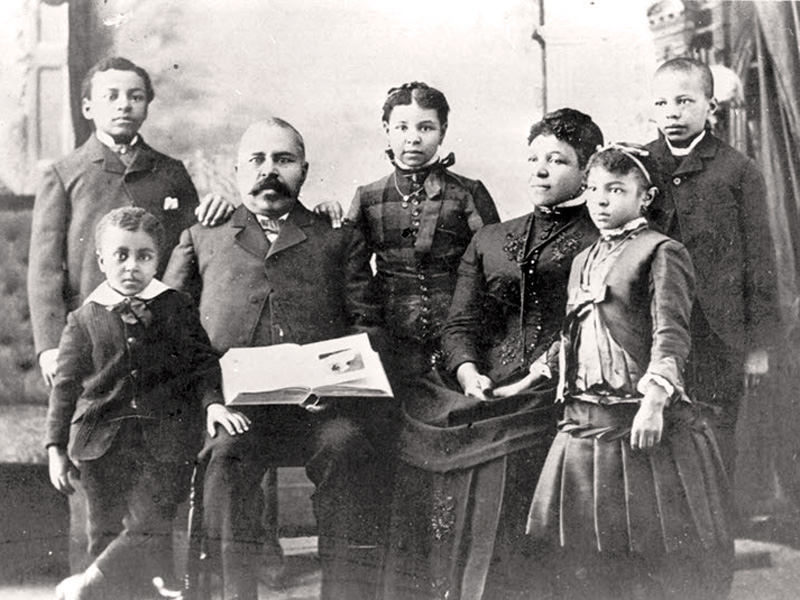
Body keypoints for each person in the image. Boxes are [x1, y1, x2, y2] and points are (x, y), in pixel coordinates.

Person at [163, 118, 394, 600]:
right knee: (223, 455)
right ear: (237, 170)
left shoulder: (336, 237)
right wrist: (210, 401)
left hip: (319, 408)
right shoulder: (203, 236)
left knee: (348, 447)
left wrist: (332, 385)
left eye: (283, 160)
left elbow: (368, 324)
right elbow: (174, 335)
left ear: (304, 170)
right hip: (235, 408)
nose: (270, 171)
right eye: (258, 160)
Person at [383, 108, 602, 600]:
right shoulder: (491, 239)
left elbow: (591, 326)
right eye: (534, 158)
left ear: (588, 172)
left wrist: (537, 375)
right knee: (424, 420)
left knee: (504, 447)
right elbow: (459, 322)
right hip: (486, 381)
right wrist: (466, 371)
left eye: (558, 161)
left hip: (553, 385)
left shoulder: (600, 240)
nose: (540, 170)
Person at [527, 144, 732, 600]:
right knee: (590, 562)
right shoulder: (584, 259)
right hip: (584, 425)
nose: (600, 201)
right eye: (593, 189)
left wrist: (655, 403)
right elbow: (572, 336)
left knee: (655, 562)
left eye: (616, 190)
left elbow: (671, 333)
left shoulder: (661, 251)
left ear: (646, 197)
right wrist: (526, 380)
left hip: (638, 424)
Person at [45, 207, 220, 600]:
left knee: (150, 523)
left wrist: (212, 404)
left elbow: (203, 364)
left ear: (157, 259)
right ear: (102, 260)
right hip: (98, 441)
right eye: (121, 255)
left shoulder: (176, 307)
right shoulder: (82, 318)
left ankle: (88, 584)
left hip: (164, 439)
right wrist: (55, 448)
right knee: (102, 531)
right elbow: (66, 388)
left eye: (144, 256)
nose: (132, 267)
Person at [28, 56, 231, 388]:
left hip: (162, 332)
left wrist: (218, 211)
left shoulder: (171, 172)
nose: (124, 105)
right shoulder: (64, 175)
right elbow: (45, 270)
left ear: (147, 106)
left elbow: (195, 248)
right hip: (92, 334)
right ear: (88, 108)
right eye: (111, 96)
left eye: (135, 96)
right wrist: (50, 347)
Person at [645, 57, 780, 477]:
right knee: (657, 443)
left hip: (719, 333)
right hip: (653, 329)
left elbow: (760, 261)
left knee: (714, 440)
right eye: (662, 103)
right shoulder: (641, 165)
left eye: (684, 101)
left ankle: (715, 540)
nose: (672, 112)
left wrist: (757, 345)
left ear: (711, 107)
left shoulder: (738, 170)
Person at [316, 81, 499, 377]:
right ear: (386, 129)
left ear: (443, 130)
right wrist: (323, 217)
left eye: (425, 128)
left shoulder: (468, 193)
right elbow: (346, 266)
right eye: (402, 127)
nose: (413, 138)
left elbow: (494, 268)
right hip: (389, 339)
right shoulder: (368, 196)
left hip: (459, 334)